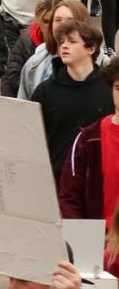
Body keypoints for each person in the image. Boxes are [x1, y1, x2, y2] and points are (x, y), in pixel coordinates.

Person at [33, 20, 115, 178]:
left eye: (72, 41)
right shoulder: (45, 92)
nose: (64, 46)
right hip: (56, 180)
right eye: (61, 41)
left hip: (99, 179)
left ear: (91, 48)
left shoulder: (109, 89)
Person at [56, 59, 119, 219]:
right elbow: (70, 197)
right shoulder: (89, 139)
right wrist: (83, 240)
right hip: (98, 239)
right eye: (118, 88)